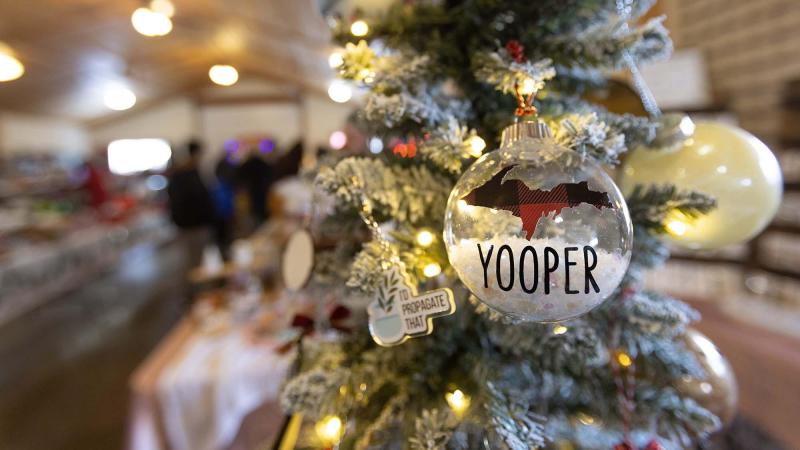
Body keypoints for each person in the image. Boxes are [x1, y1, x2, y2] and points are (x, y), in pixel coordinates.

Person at [166, 139, 215, 272]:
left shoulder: (193, 172)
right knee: (195, 260)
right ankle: (196, 284)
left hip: (198, 223)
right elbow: (182, 202)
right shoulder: (182, 176)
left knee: (201, 257)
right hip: (192, 225)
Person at [237, 148, 273, 226]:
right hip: (264, 190)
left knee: (254, 210)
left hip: (252, 191)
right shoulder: (263, 164)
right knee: (263, 210)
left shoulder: (246, 165)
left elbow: (240, 178)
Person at [211, 154, 237, 260]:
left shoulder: (217, 186)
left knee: (223, 240)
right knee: (226, 239)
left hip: (220, 216)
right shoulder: (223, 187)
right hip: (224, 215)